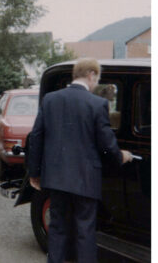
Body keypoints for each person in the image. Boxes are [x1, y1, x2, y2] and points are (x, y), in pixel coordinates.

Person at [27, 58, 133, 263]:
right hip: (85, 180)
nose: (95, 84)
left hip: (56, 178)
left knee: (57, 229)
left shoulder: (50, 99)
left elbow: (37, 136)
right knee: (85, 231)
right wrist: (121, 155)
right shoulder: (97, 103)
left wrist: (34, 172)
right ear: (91, 75)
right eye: (96, 79)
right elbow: (106, 144)